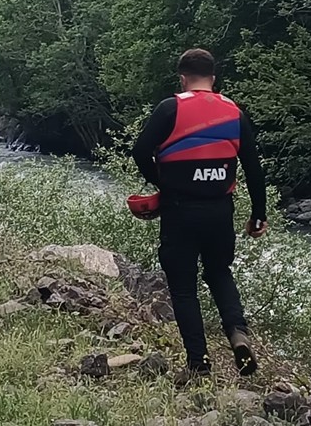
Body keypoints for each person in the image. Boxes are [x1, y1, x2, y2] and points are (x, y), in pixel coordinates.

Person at [130, 48, 268, 381]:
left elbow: (139, 151)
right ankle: (237, 333)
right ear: (213, 78)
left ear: (182, 77)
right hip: (220, 210)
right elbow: (253, 168)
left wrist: (163, 183)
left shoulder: (170, 108)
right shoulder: (234, 112)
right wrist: (258, 215)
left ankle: (199, 364)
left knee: (183, 288)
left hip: (179, 210)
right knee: (219, 272)